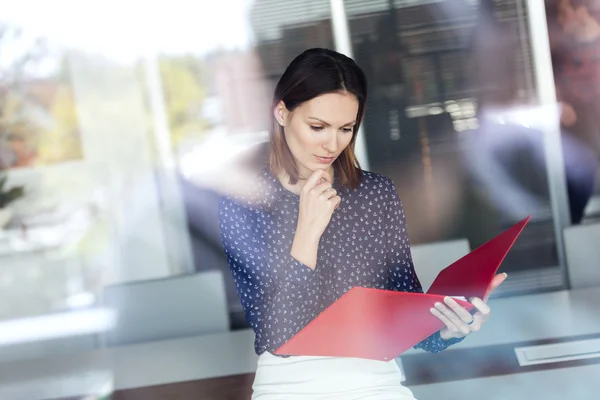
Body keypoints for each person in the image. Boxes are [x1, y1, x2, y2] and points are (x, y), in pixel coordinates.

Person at [218, 48, 505, 399]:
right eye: (317, 127)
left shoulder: (375, 194)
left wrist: (450, 326)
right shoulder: (243, 202)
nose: (332, 144)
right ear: (281, 112)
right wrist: (307, 230)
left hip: (375, 381)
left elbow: (406, 312)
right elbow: (276, 332)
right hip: (289, 385)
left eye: (345, 129)